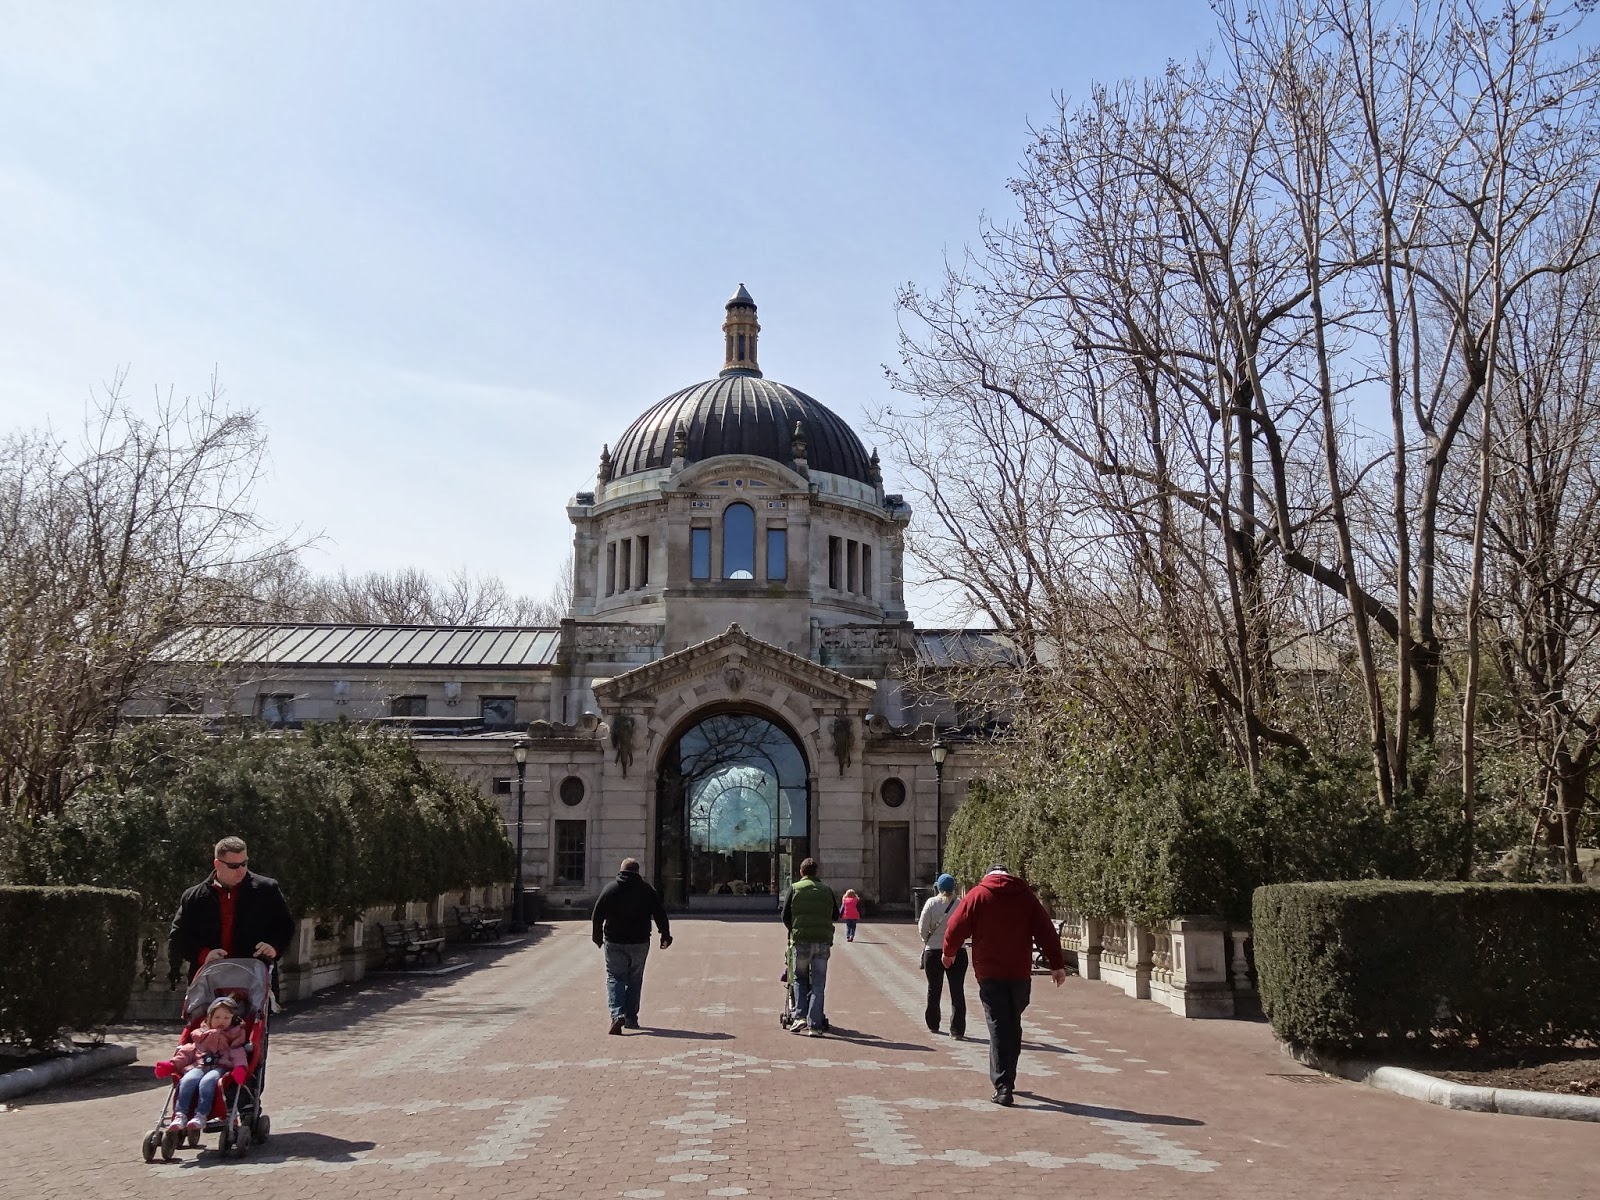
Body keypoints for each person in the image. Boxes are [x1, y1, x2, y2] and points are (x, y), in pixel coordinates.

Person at [942, 863, 1065, 1107]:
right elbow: (1046, 931)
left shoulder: (977, 895)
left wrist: (949, 952)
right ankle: (1009, 1076)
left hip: (990, 973)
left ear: (987, 875)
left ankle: (1003, 1086)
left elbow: (955, 926)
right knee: (1012, 1024)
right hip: (1019, 973)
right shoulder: (1025, 896)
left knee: (998, 1026)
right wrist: (1056, 964)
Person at [168, 836, 296, 981]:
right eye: (234, 866)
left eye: (244, 864)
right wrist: (204, 955)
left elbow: (286, 926)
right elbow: (179, 937)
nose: (241, 871)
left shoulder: (267, 890)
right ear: (217, 864)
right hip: (208, 983)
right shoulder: (193, 897)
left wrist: (273, 946)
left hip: (255, 982)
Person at [591, 857, 672, 1034]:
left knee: (615, 977)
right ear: (637, 871)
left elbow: (597, 915)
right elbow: (660, 914)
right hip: (640, 942)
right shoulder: (647, 890)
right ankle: (631, 1018)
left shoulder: (610, 889)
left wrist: (597, 937)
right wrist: (665, 935)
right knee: (635, 980)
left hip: (614, 941)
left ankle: (616, 1014)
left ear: (621, 871)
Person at [153, 996, 248, 1136]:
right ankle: (180, 1114)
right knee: (187, 1080)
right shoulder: (200, 1035)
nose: (221, 1021)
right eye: (217, 1017)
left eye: (226, 1018)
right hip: (198, 1065)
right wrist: (171, 1065)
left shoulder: (234, 1036)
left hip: (220, 1067)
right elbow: (187, 1052)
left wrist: (240, 1068)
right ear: (209, 1018)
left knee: (208, 1081)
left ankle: (201, 1114)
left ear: (232, 1019)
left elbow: (238, 1053)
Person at [780, 858, 837, 1036]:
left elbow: (785, 915)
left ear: (801, 872)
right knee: (818, 984)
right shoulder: (827, 890)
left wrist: (794, 929)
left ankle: (800, 1016)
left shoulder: (794, 888)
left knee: (799, 978)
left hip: (801, 940)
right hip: (822, 941)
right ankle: (815, 1025)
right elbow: (835, 914)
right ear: (816, 872)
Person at [918, 873, 967, 1039]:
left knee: (934, 988)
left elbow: (922, 927)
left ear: (938, 887)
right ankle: (957, 1029)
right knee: (957, 990)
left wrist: (928, 940)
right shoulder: (960, 904)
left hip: (933, 951)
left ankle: (933, 1023)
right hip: (957, 951)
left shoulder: (931, 903)